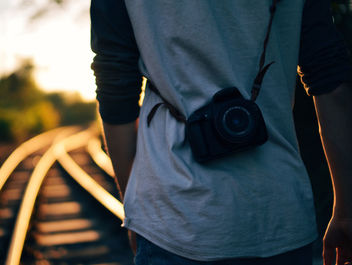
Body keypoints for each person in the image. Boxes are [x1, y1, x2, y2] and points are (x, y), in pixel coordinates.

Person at [90, 0, 352, 264]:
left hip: (172, 217)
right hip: (280, 213)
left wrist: (134, 208)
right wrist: (346, 208)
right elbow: (329, 76)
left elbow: (116, 90)